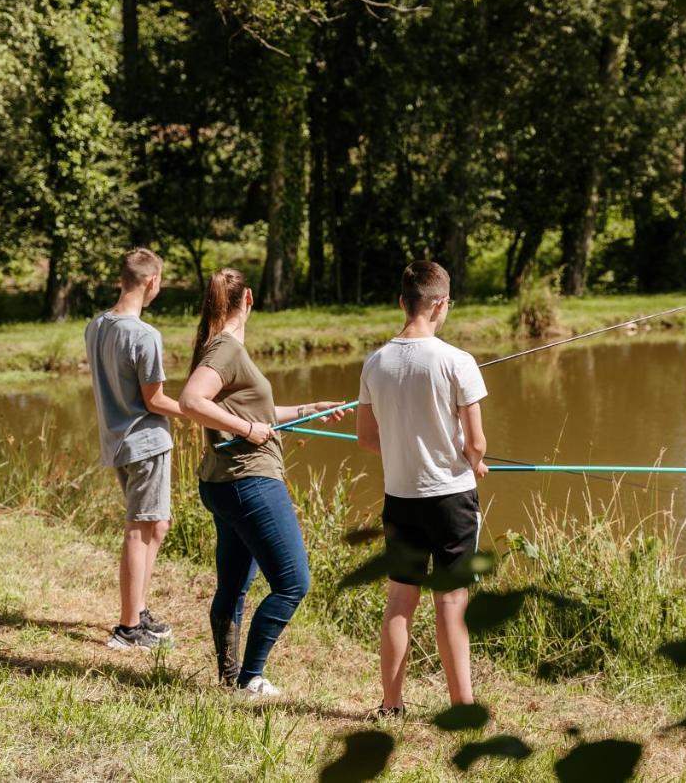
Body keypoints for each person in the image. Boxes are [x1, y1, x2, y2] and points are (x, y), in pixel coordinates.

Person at [179, 268, 345, 698]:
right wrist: (249, 431)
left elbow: (253, 410)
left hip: (224, 482)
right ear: (248, 298)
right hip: (249, 481)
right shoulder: (227, 349)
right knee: (293, 583)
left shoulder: (218, 347)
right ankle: (251, 679)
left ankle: (231, 678)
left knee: (233, 586)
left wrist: (309, 407)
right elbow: (191, 401)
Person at [357, 260, 489, 718]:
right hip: (451, 498)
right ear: (440, 305)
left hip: (400, 497)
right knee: (451, 603)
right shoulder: (458, 362)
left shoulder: (375, 362)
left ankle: (391, 705)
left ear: (402, 303)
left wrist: (404, 452)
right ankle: (462, 708)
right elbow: (475, 442)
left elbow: (367, 438)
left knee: (400, 599)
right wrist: (475, 461)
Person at [84, 248, 183, 651]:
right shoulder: (144, 335)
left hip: (118, 442)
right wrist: (197, 410)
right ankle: (128, 628)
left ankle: (138, 611)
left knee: (156, 525)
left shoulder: (96, 326)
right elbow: (155, 400)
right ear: (151, 282)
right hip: (145, 442)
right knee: (139, 529)